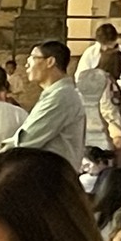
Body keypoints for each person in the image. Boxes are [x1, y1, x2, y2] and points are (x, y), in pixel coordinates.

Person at [8, 41, 86, 172]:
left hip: (52, 179)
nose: (27, 64)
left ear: (50, 62)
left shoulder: (61, 97)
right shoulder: (57, 94)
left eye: (33, 58)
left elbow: (26, 140)